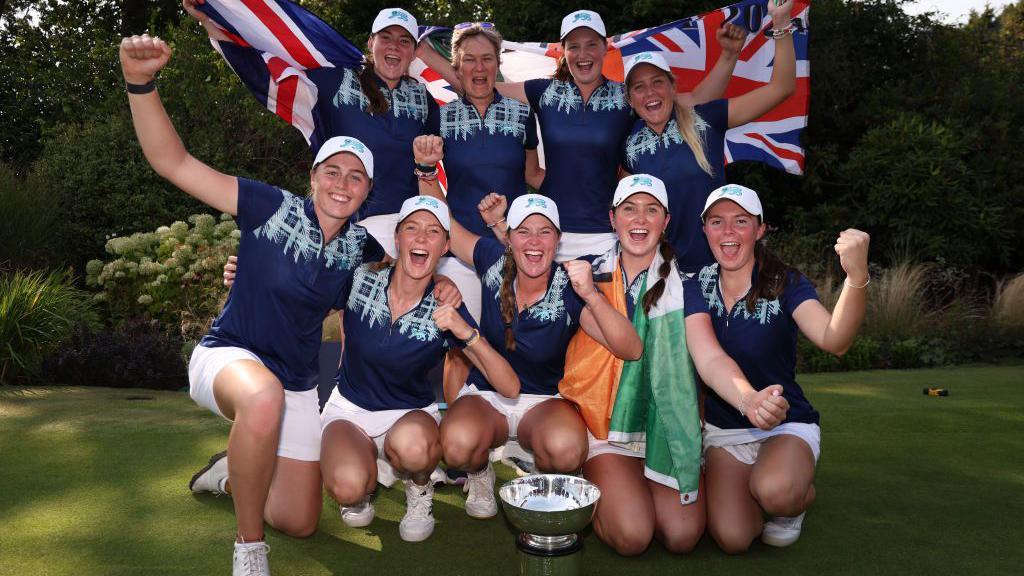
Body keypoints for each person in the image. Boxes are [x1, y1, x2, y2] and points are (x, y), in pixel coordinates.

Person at [119, 34, 383, 575]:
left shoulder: (363, 249)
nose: (343, 183)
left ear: (366, 193)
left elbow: (414, 258)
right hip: (229, 357)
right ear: (313, 178)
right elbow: (173, 162)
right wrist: (140, 84)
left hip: (299, 385)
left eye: (356, 177)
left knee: (301, 520)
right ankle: (248, 547)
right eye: (332, 171)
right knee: (262, 398)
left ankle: (232, 470)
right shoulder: (268, 205)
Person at [413, 134, 642, 520]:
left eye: (544, 232)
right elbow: (445, 225)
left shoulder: (570, 286)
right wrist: (425, 171)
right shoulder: (491, 260)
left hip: (544, 402)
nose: (534, 242)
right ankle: (481, 472)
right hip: (487, 396)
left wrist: (591, 296)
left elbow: (630, 349)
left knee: (568, 450)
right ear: (510, 238)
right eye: (524, 232)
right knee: (455, 446)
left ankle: (533, 465)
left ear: (558, 240)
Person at [557, 174, 789, 556]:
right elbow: (626, 346)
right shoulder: (583, 275)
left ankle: (637, 482)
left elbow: (709, 356)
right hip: (604, 425)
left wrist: (747, 398)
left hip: (663, 426)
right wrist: (591, 295)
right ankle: (600, 480)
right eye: (629, 209)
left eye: (652, 211)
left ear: (666, 222)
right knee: (633, 537)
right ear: (612, 218)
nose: (640, 220)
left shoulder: (687, 284)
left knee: (683, 536)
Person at [417, 9, 745, 260]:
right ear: (563, 51)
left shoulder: (626, 96)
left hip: (607, 231)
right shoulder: (544, 92)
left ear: (605, 48)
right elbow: (482, 83)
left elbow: (695, 103)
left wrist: (729, 55)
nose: (583, 53)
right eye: (575, 46)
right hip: (550, 231)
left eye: (592, 45)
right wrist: (428, 55)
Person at [318, 195, 519, 542]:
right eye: (412, 228)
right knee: (348, 488)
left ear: (444, 247)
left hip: (409, 416)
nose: (422, 238)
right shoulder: (359, 278)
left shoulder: (445, 304)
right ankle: (366, 474)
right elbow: (302, 301)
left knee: (415, 449)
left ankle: (420, 486)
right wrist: (247, 278)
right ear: (397, 239)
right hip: (349, 410)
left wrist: (465, 332)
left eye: (433, 232)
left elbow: (510, 387)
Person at [685, 184, 870, 552]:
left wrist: (856, 277)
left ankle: (792, 502)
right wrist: (750, 400)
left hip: (785, 423)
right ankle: (762, 488)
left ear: (760, 229)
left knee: (777, 493)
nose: (729, 232)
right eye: (717, 222)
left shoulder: (785, 282)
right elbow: (709, 359)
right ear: (704, 230)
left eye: (741, 221)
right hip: (727, 430)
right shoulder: (694, 285)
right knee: (733, 537)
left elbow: (835, 340)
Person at [183, 1, 439, 254]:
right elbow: (263, 69)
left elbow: (467, 101)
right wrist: (209, 18)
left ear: (414, 52)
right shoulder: (337, 78)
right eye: (386, 37)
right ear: (371, 43)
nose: (394, 46)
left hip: (409, 231)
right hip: (346, 228)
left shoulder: (423, 97)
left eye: (405, 40)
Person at [621, 0, 797, 275]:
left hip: (720, 269)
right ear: (630, 100)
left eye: (658, 82)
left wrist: (782, 23)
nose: (650, 93)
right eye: (639, 87)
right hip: (661, 276)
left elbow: (782, 88)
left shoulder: (705, 118)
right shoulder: (626, 142)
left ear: (673, 87)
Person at [422, 21, 544, 408]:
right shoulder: (439, 117)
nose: (479, 68)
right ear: (456, 66)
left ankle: (503, 437)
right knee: (461, 345)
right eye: (469, 60)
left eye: (487, 59)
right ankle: (461, 451)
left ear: (497, 64)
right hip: (460, 251)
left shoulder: (522, 115)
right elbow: (426, 179)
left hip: (512, 249)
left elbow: (532, 175)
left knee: (510, 339)